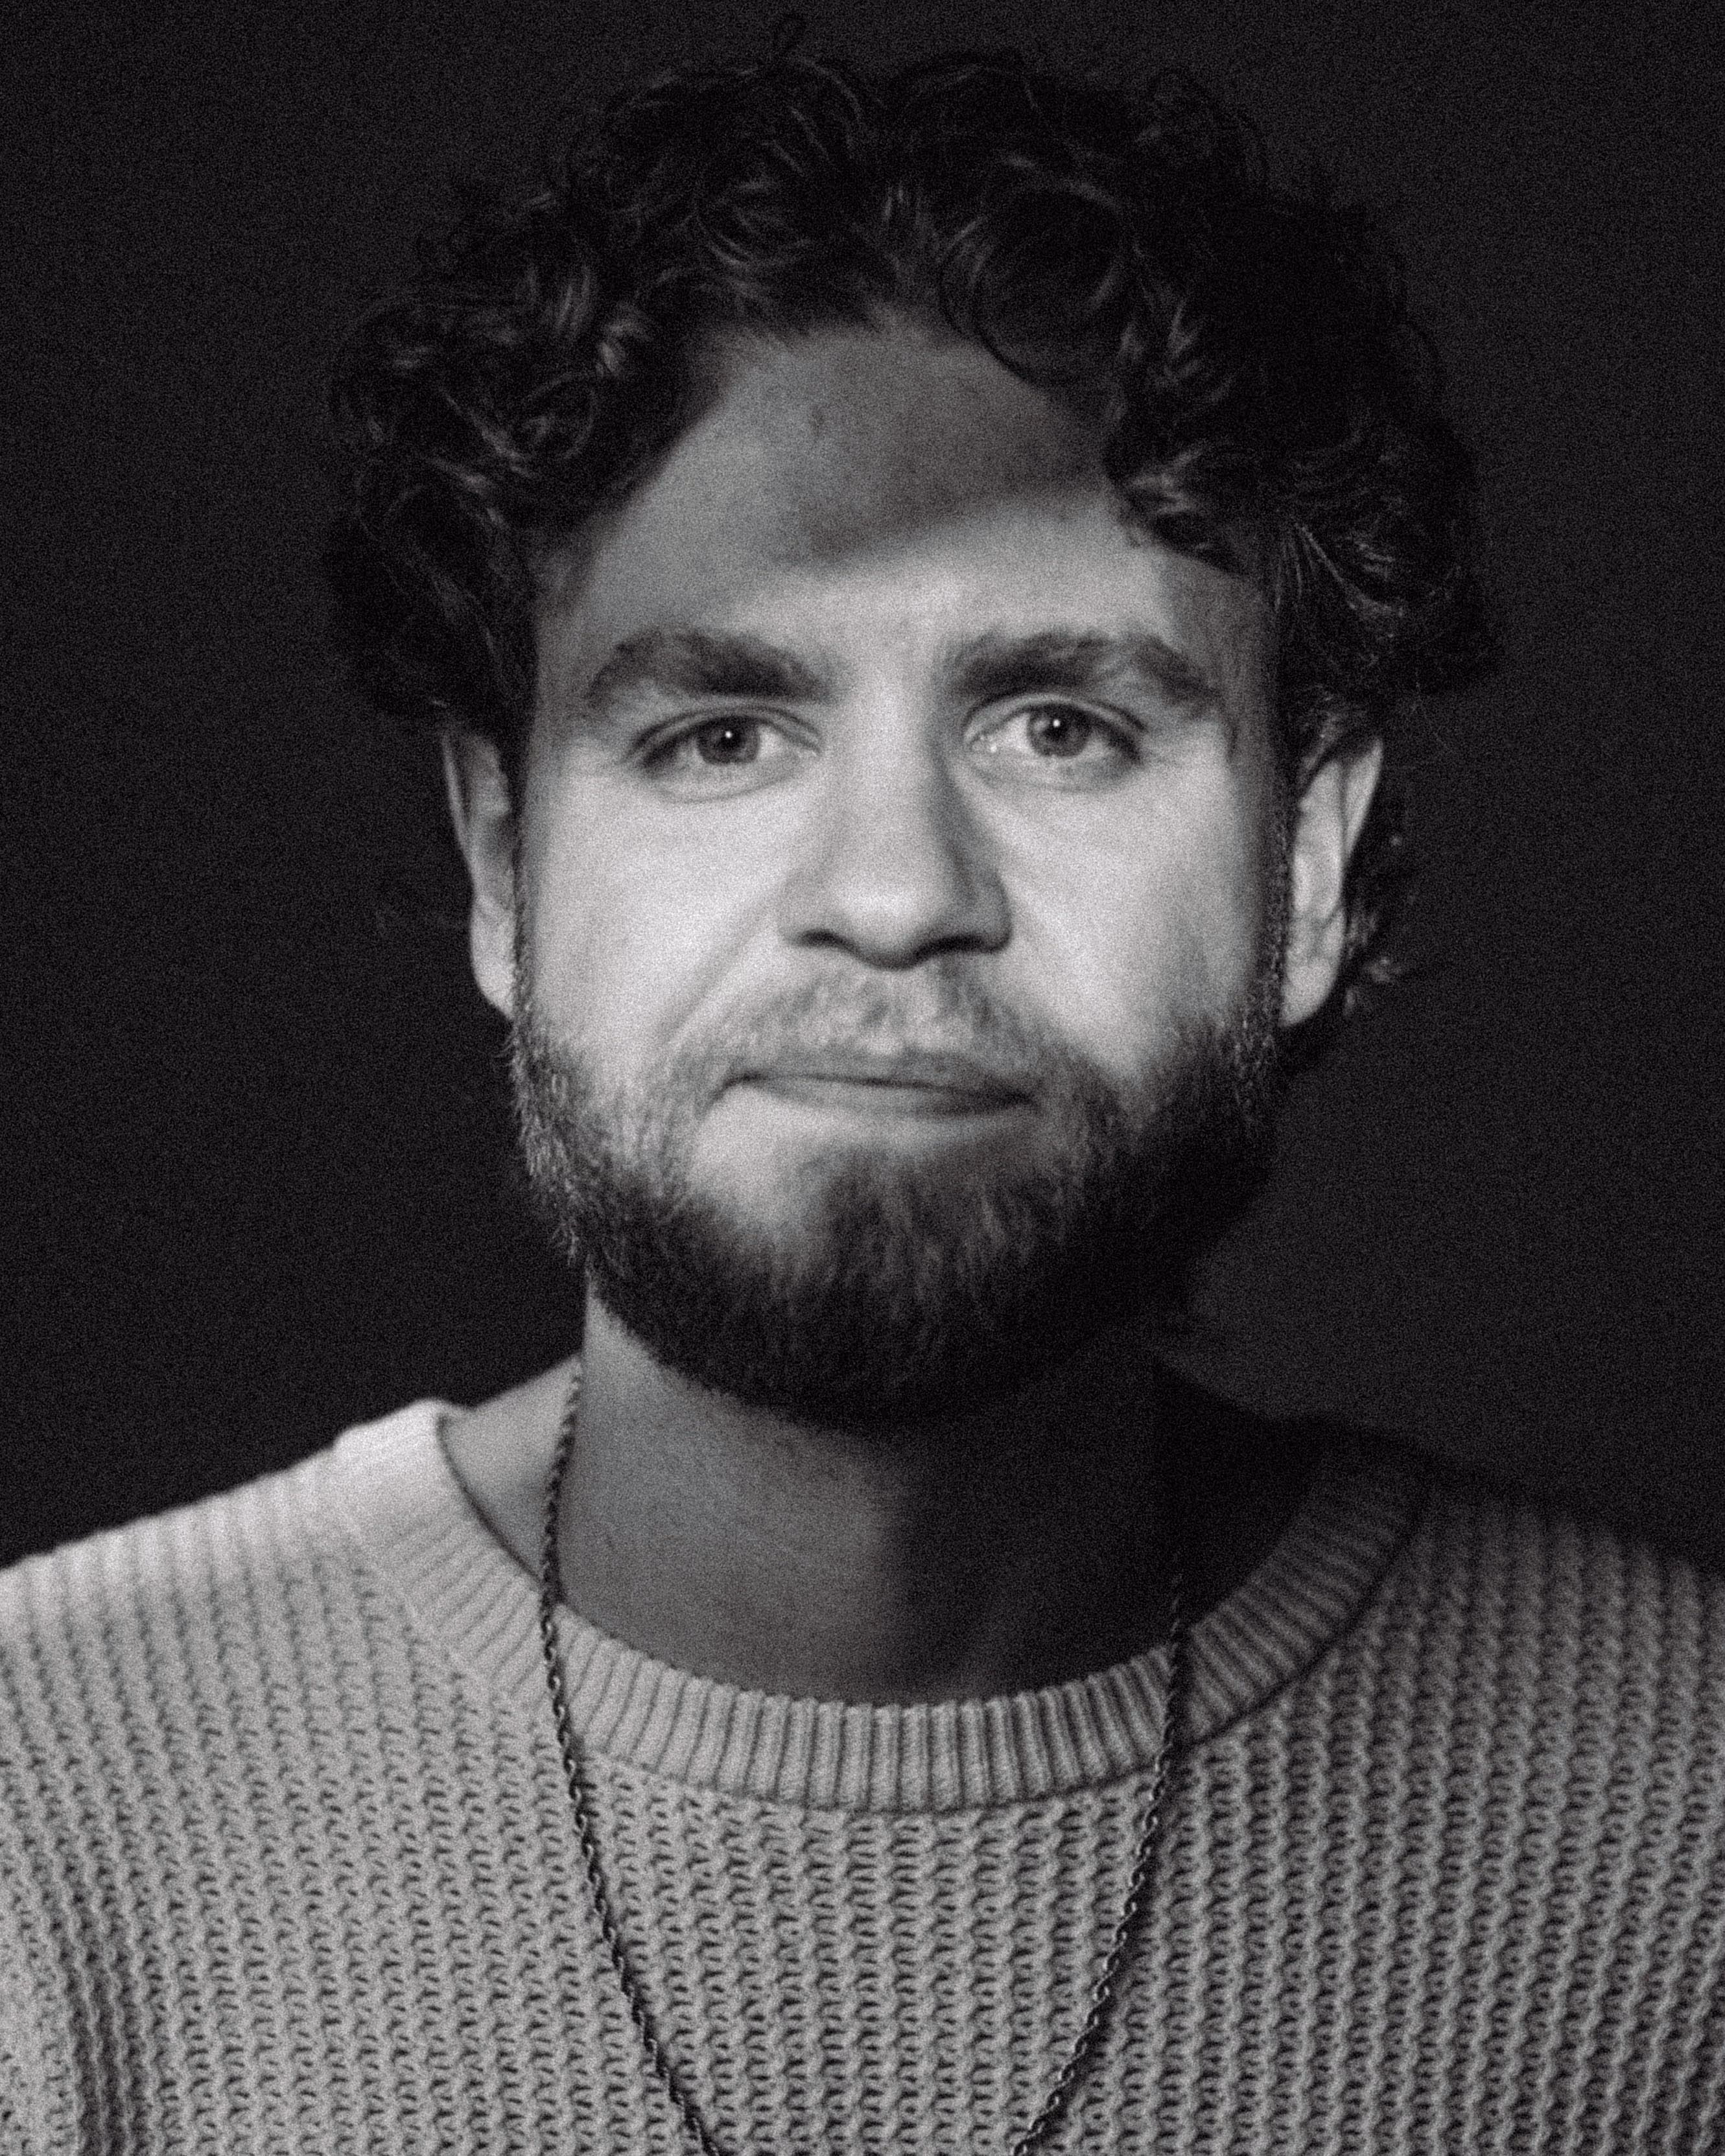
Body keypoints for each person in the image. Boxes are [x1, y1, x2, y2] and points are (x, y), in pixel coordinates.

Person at [3, 41, 1721, 2156]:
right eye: (722, 733)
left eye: (1064, 727)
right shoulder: (40, 1811)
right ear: (499, 864)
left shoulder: (1687, 1843)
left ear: (1301, 871)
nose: (894, 896)